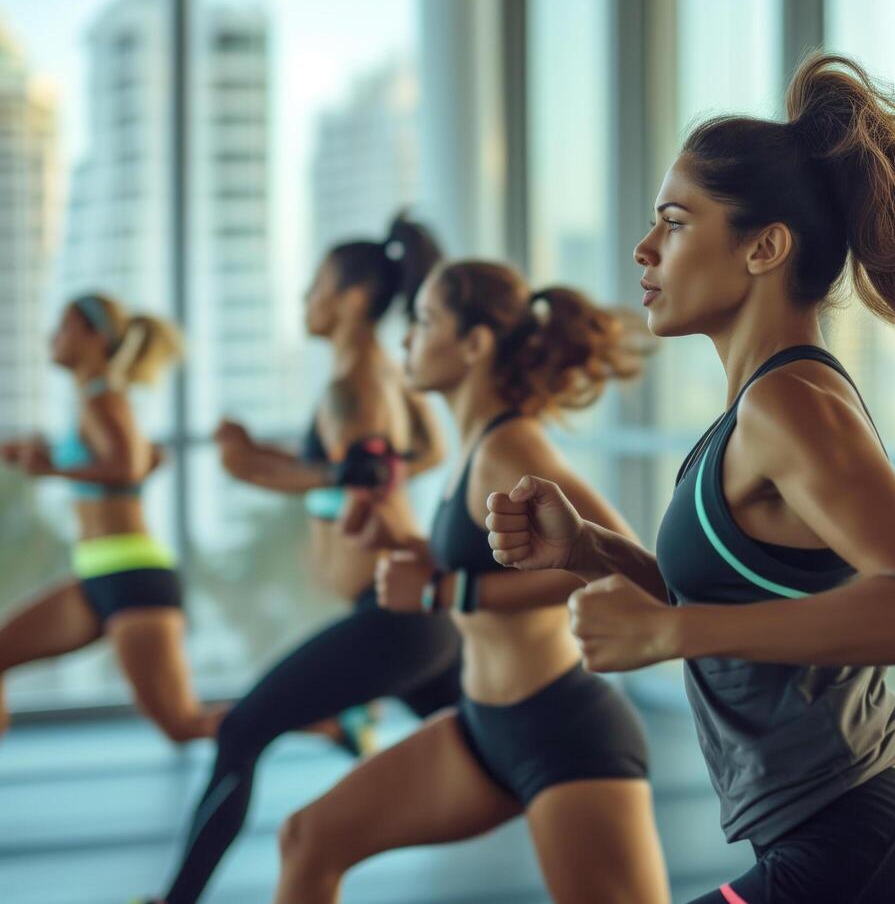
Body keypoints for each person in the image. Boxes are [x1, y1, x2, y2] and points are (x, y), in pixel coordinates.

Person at [488, 53, 895, 904]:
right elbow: (731, 612)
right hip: (836, 838)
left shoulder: (790, 404)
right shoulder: (760, 407)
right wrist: (588, 553)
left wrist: (674, 637)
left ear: (765, 247)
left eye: (676, 222)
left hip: (856, 842)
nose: (644, 248)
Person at [272, 259, 668, 904]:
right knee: (306, 839)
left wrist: (444, 593)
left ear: (476, 344)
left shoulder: (514, 449)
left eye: (426, 322)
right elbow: (491, 558)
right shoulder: (477, 446)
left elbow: (620, 559)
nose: (406, 339)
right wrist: (398, 544)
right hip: (485, 726)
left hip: (562, 731)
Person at [152, 213, 460, 904]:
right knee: (508, 747)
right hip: (407, 615)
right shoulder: (377, 375)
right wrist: (259, 457)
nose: (304, 301)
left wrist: (253, 469)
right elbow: (417, 451)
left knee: (241, 732)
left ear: (350, 299)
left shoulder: (356, 387)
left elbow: (363, 478)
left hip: (397, 617)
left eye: (315, 288)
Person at [0, 294, 212, 745]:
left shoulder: (104, 400)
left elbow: (128, 467)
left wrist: (52, 468)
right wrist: (42, 455)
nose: (51, 339)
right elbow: (135, 461)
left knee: (181, 724)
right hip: (97, 570)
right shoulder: (92, 402)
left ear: (95, 338)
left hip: (132, 573)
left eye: (63, 328)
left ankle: (323, 722)